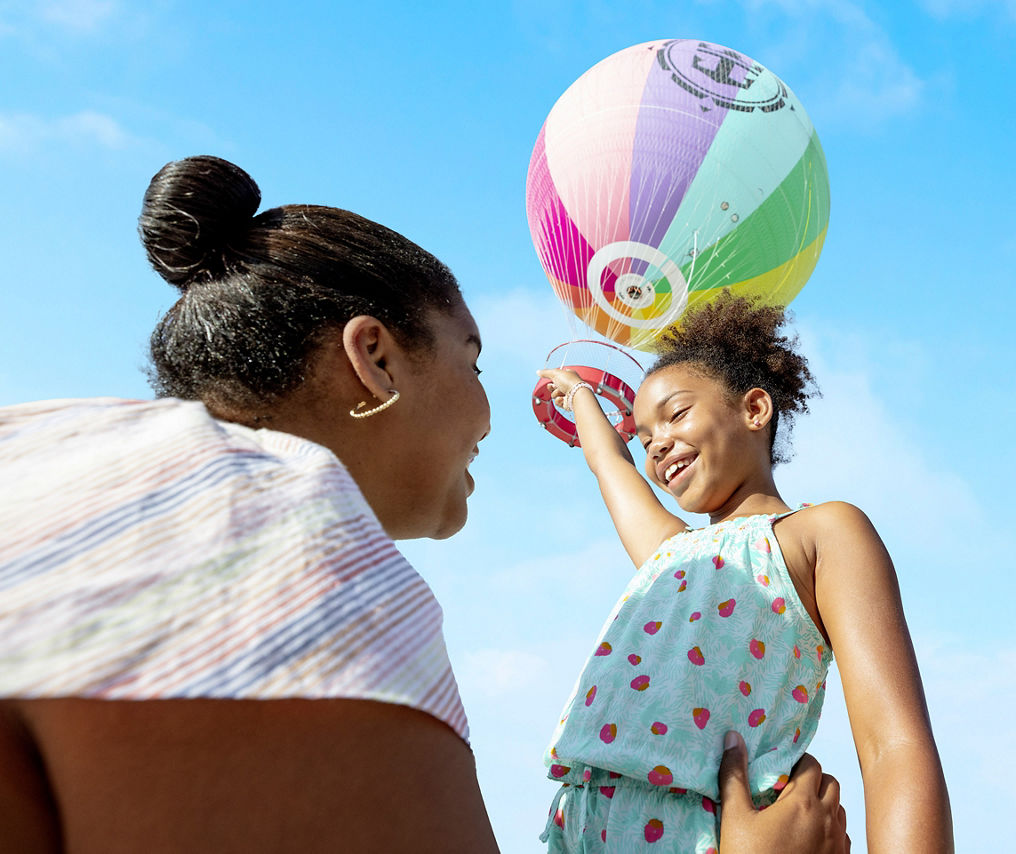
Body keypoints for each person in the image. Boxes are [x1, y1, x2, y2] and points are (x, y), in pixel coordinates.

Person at [0, 155, 849, 853]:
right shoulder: (302, 532)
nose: (486, 412)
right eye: (472, 363)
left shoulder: (47, 457)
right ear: (373, 357)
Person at [536, 293, 954, 852]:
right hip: (581, 824)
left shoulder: (821, 534)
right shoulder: (669, 555)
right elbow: (609, 462)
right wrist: (582, 394)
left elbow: (892, 745)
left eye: (676, 414)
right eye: (644, 436)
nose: (657, 442)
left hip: (709, 830)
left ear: (755, 410)